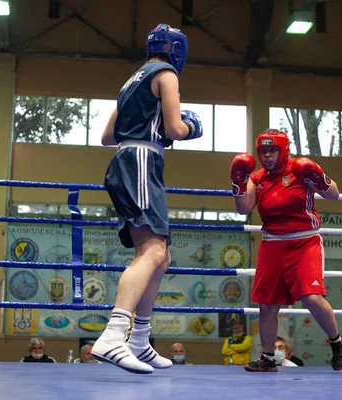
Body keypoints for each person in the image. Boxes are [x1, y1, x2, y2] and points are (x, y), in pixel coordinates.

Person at [91, 23, 203, 375]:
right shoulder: (166, 74)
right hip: (141, 161)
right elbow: (173, 129)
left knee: (161, 256)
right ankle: (113, 335)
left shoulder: (131, 81)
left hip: (128, 160)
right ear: (177, 50)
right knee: (152, 251)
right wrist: (191, 127)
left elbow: (108, 136)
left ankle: (139, 340)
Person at [229, 129, 342, 373]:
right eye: (263, 151)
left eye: (273, 150)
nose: (267, 155)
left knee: (312, 297)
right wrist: (239, 183)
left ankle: (337, 344)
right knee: (267, 305)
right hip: (272, 244)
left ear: (284, 150)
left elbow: (334, 195)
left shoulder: (300, 169)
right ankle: (268, 358)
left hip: (304, 242)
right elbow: (244, 209)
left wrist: (320, 176)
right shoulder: (258, 177)